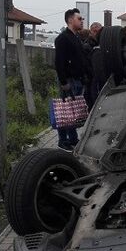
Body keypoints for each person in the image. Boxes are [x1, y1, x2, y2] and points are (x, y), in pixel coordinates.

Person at [54, 8, 87, 150]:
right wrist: (63, 81)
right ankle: (64, 140)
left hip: (78, 79)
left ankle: (73, 139)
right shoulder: (62, 38)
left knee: (73, 111)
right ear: (70, 20)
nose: (82, 21)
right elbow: (59, 62)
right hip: (69, 80)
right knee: (66, 111)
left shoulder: (76, 37)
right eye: (79, 19)